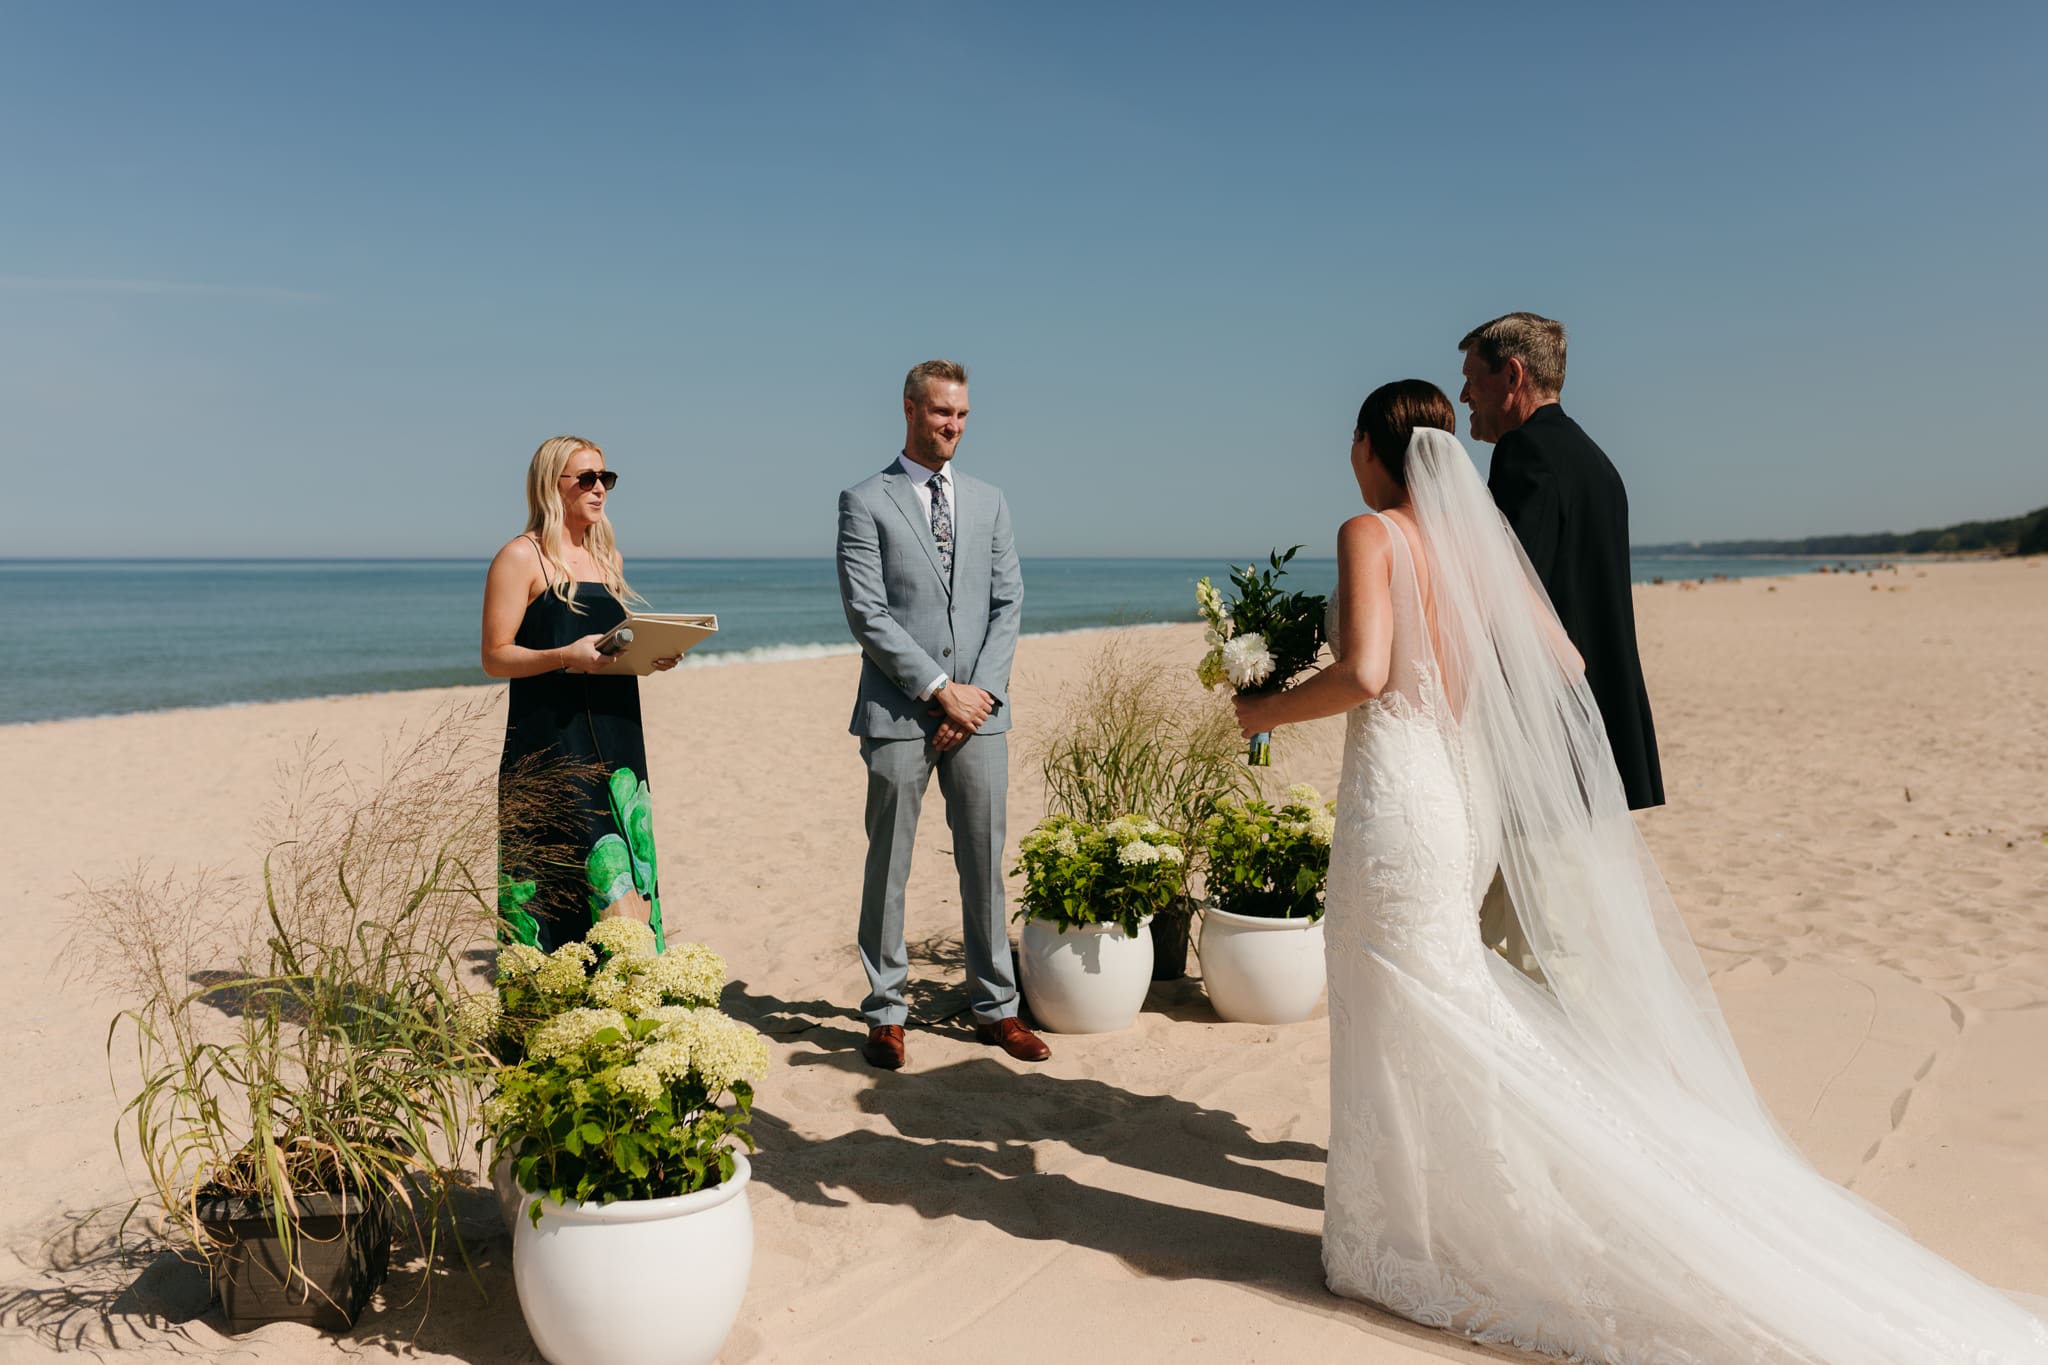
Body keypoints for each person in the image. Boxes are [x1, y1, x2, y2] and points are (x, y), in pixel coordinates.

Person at [1233, 381, 2048, 1362]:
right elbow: (1565, 663)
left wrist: (1261, 712)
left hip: (1400, 797)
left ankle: (1406, 1229)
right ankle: (1423, 1214)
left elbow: (1363, 673)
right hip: (1465, 797)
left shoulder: (1371, 534)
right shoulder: (1473, 545)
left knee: (1405, 994)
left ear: (1372, 449)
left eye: (1352, 443)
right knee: (1433, 988)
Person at [834, 360, 1048, 1070]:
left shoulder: (990, 500)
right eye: (940, 413)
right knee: (887, 863)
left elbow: (1007, 604)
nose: (952, 425)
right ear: (909, 410)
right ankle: (886, 1013)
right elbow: (868, 613)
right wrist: (937, 690)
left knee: (984, 861)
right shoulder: (864, 500)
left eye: (961, 414)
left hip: (981, 714)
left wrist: (976, 694)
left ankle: (997, 1007)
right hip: (899, 711)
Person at [1460, 312, 1662, 980]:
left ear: (1511, 375)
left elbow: (1510, 598)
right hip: (1591, 736)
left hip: (1544, 739)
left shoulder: (1527, 454)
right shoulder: (1595, 460)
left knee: (1533, 952)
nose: (1464, 400)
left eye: (1472, 380)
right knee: (1554, 933)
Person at [482, 435, 678, 953]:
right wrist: (566, 656)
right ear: (552, 485)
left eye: (605, 479)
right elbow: (494, 656)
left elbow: (608, 650)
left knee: (624, 879)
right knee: (558, 881)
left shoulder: (604, 554)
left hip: (618, 740)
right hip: (550, 744)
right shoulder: (521, 557)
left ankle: (629, 1007)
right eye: (586, 479)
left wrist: (649, 657)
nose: (600, 489)